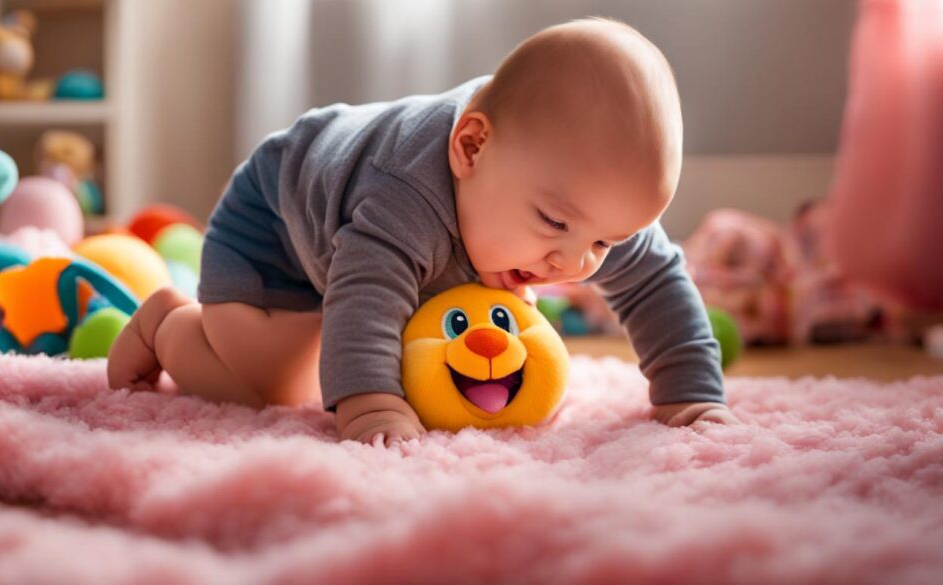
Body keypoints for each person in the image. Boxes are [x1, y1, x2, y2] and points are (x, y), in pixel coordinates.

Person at [107, 17, 740, 446]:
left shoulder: (576, 192)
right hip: (277, 228)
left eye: (605, 242)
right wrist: (370, 401)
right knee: (271, 389)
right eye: (554, 225)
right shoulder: (405, 193)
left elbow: (657, 281)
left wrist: (689, 392)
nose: (573, 264)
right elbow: (364, 293)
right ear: (471, 147)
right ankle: (168, 323)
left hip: (385, 240)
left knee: (420, 342)